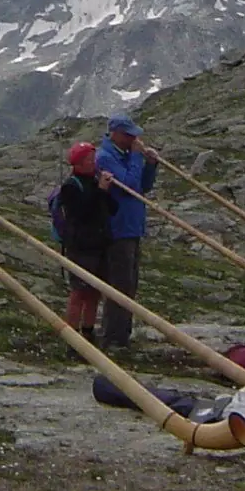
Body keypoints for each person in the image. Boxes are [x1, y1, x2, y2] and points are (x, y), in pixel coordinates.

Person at [94, 112, 159, 351]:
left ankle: (123, 334)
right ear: (116, 135)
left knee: (130, 283)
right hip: (117, 228)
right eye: (129, 135)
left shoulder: (124, 155)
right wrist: (135, 156)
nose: (134, 139)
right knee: (119, 284)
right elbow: (128, 186)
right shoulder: (105, 157)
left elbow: (142, 186)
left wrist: (150, 165)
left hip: (132, 226)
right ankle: (112, 337)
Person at [56, 141, 116, 355]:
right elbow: (81, 213)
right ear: (79, 164)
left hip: (99, 245)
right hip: (81, 247)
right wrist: (100, 191)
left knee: (94, 292)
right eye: (90, 160)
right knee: (79, 292)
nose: (94, 163)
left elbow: (112, 209)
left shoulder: (94, 180)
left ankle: (88, 333)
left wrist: (107, 190)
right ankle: (72, 339)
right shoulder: (71, 186)